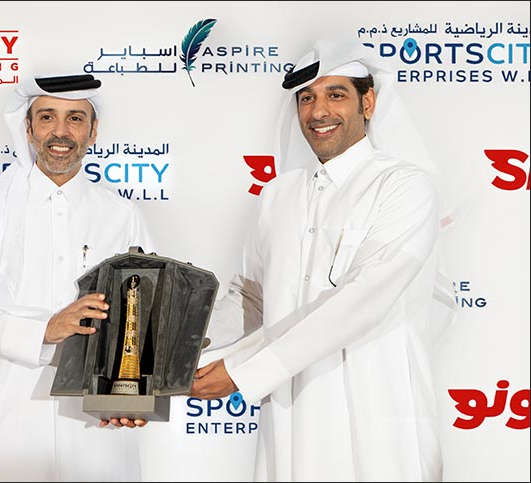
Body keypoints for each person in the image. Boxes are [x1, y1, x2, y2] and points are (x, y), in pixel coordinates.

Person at [190, 38, 457, 481]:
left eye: (336, 95)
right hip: (291, 412)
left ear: (367, 103)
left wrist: (244, 373)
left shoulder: (404, 187)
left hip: (376, 411)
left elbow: (364, 299)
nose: (318, 112)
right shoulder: (277, 194)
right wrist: (176, 342)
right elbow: (253, 300)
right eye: (307, 98)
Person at [0, 73, 153, 481]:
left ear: (93, 131)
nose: (60, 132)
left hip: (97, 432)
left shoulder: (122, 216)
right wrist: (44, 331)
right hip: (9, 428)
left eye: (75, 119)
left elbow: (143, 321)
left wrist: (135, 399)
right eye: (46, 117)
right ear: (28, 129)